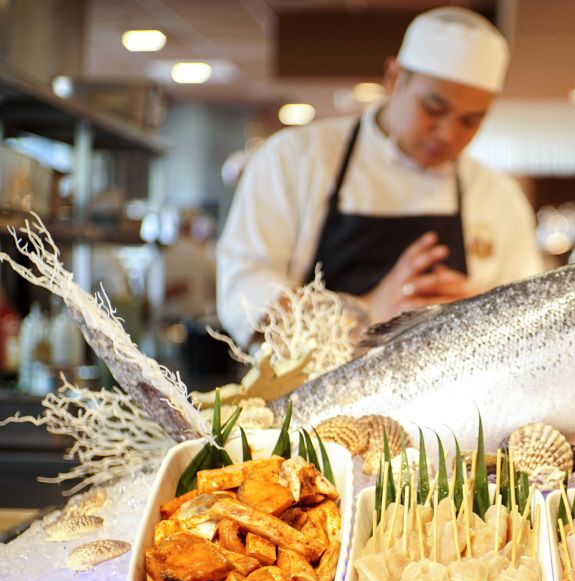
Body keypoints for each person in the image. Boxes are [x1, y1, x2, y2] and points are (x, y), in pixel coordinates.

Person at [217, 7, 544, 347]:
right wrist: (365, 313)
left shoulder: (497, 195)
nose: (447, 134)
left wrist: (480, 313)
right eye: (433, 109)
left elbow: (532, 319)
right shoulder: (294, 158)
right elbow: (245, 296)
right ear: (394, 77)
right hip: (315, 380)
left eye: (470, 121)